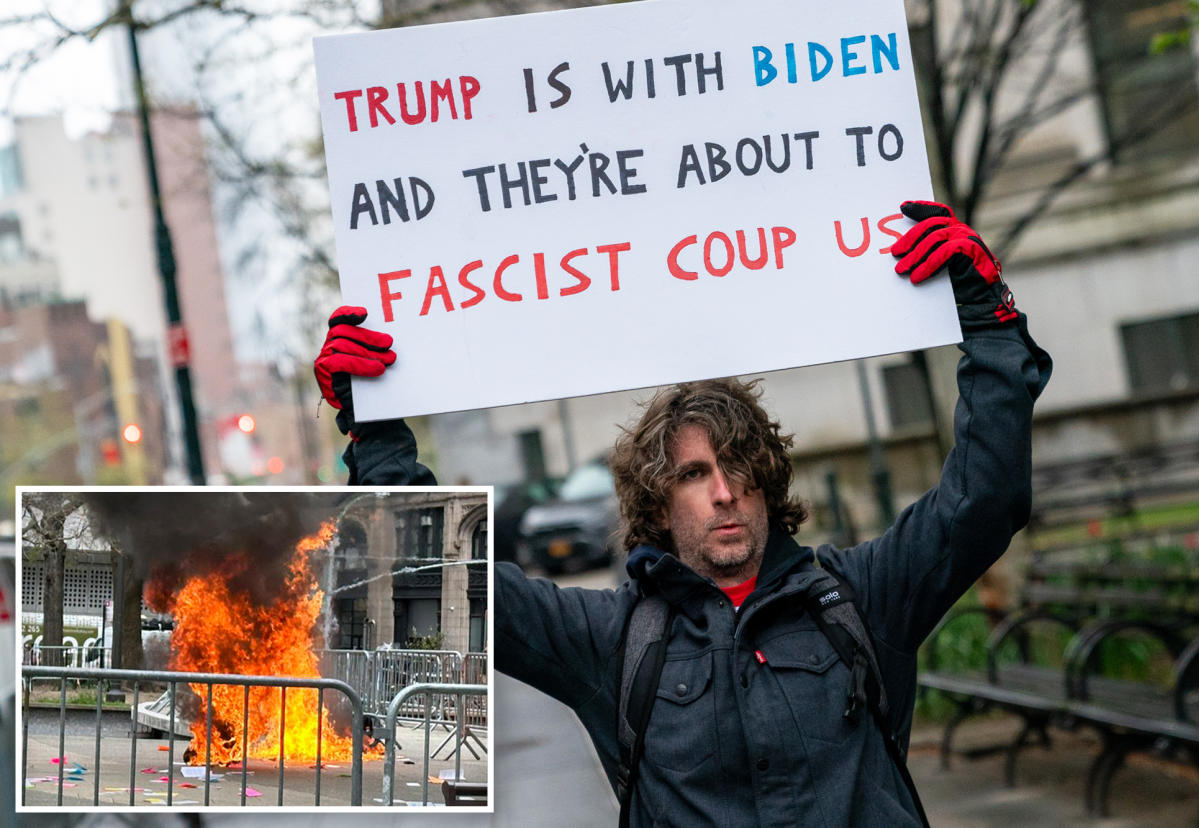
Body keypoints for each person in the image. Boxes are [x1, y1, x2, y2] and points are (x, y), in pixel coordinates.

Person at [314, 201, 1053, 825]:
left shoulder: (860, 599)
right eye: (696, 475)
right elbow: (442, 577)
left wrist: (988, 324)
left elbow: (985, 498)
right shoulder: (611, 642)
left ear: (766, 481)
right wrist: (376, 432)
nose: (724, 492)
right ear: (659, 503)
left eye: (738, 469)